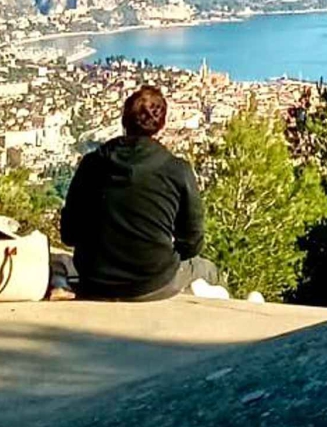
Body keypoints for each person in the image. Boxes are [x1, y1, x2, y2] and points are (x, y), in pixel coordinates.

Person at [60, 85, 227, 300]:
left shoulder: (91, 164)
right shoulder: (177, 169)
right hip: (153, 281)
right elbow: (193, 241)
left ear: (124, 120)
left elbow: (69, 234)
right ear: (162, 123)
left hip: (94, 279)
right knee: (208, 269)